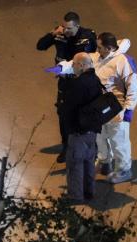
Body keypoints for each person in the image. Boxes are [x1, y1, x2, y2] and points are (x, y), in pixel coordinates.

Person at [54, 33, 137, 183]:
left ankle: (124, 170)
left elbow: (133, 87)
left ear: (109, 48)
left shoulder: (123, 62)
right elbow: (80, 62)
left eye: (99, 47)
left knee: (118, 141)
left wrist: (129, 110)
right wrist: (61, 68)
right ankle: (105, 161)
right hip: (98, 106)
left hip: (116, 108)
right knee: (100, 137)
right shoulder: (97, 57)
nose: (96, 50)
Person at [37, 11, 97, 163]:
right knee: (63, 114)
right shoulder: (60, 34)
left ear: (77, 25)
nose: (65, 31)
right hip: (65, 82)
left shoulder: (87, 37)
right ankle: (66, 147)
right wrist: (53, 33)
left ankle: (92, 148)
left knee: (84, 114)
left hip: (81, 83)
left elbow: (85, 60)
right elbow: (40, 46)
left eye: (69, 28)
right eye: (63, 27)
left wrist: (63, 69)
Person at [59, 53, 103, 203]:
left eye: (74, 64)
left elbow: (69, 107)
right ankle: (89, 192)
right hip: (92, 130)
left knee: (75, 164)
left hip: (79, 131)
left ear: (82, 65)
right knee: (88, 162)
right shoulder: (95, 80)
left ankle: (75, 196)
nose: (72, 67)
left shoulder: (79, 84)